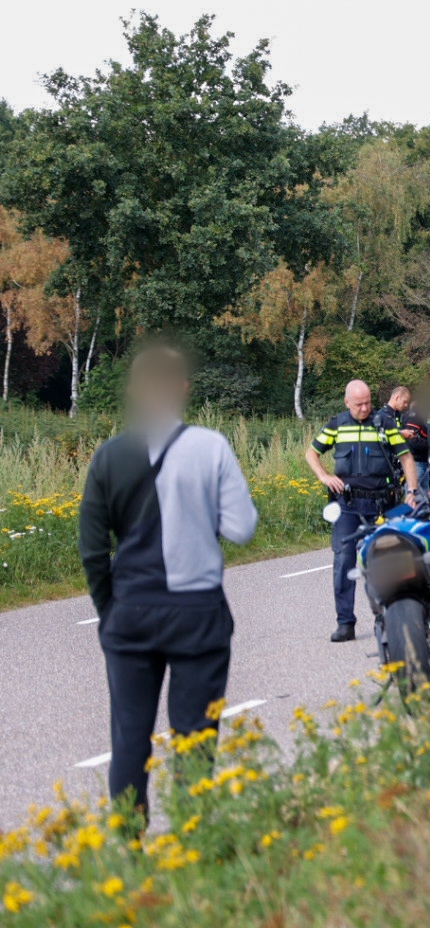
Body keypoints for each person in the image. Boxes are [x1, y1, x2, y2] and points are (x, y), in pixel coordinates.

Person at [78, 343, 258, 825]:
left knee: (129, 738)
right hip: (198, 611)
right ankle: (193, 840)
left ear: (135, 390)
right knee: (195, 736)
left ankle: (129, 847)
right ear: (182, 389)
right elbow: (242, 529)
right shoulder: (211, 447)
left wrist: (109, 611)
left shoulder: (109, 456)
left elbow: (92, 549)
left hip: (131, 611)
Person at [305, 380, 420, 642]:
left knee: (390, 560)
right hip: (348, 506)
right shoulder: (336, 425)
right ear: (347, 402)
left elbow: (406, 457)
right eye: (359, 404)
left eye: (368, 402)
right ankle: (345, 623)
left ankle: (391, 615)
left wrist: (412, 491)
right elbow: (312, 453)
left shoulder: (384, 423)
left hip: (383, 504)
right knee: (343, 562)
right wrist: (324, 477)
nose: (365, 408)